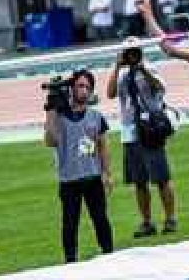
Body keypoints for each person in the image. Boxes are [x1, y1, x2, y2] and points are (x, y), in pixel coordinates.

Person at [106, 38, 178, 238]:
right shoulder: (122, 75)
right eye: (128, 52)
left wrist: (143, 70)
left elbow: (160, 88)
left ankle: (170, 218)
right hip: (130, 131)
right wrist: (117, 66)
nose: (132, 56)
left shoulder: (150, 69)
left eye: (134, 51)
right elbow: (110, 94)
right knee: (139, 181)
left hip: (150, 130)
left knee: (162, 178)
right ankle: (146, 222)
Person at [44, 69, 114, 262]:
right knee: (69, 223)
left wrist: (107, 173)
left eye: (87, 87)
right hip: (69, 180)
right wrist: (50, 109)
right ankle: (70, 260)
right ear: (71, 89)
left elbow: (103, 146)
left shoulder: (96, 116)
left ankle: (109, 253)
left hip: (92, 177)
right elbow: (50, 141)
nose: (83, 90)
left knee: (100, 218)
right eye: (80, 86)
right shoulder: (59, 117)